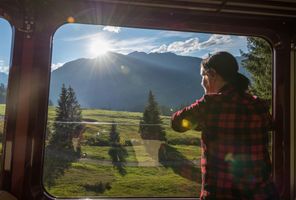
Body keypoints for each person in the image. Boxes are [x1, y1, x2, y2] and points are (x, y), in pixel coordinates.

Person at [170, 52, 279, 200]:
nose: (202, 82)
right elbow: (269, 124)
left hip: (221, 193)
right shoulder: (259, 104)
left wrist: (201, 117)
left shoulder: (210, 105)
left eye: (203, 76)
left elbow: (176, 123)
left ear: (212, 74)